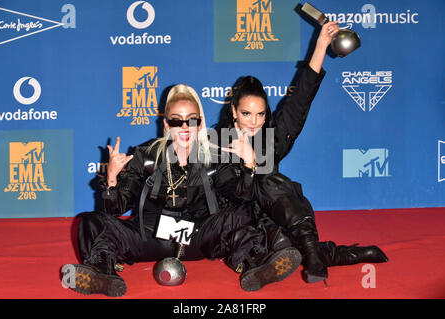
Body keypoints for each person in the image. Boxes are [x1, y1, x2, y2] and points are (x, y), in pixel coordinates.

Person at [62, 84, 302, 297]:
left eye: (192, 120)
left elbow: (241, 196)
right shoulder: (145, 156)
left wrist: (250, 165)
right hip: (150, 236)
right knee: (89, 221)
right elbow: (115, 209)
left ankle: (255, 264)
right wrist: (112, 179)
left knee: (243, 212)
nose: (185, 127)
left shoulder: (215, 157)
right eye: (177, 120)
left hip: (198, 238)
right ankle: (102, 272)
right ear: (166, 123)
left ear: (200, 123)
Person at [215, 22, 388, 284]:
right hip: (234, 221)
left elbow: (300, 100)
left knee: (274, 189)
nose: (254, 121)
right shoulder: (218, 142)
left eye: (260, 114)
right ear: (234, 112)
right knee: (267, 192)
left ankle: (310, 254)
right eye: (247, 114)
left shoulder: (268, 139)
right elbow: (235, 194)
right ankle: (330, 254)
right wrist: (251, 163)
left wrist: (320, 46)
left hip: (272, 216)